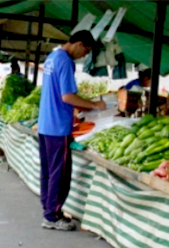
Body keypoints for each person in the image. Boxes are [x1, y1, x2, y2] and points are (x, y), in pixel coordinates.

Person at [37, 30, 106, 231]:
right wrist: (95, 105)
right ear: (79, 44)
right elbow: (67, 97)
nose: (84, 56)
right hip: (58, 128)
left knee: (48, 172)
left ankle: (49, 210)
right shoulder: (66, 61)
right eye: (85, 51)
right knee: (60, 174)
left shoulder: (52, 57)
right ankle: (52, 216)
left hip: (45, 125)